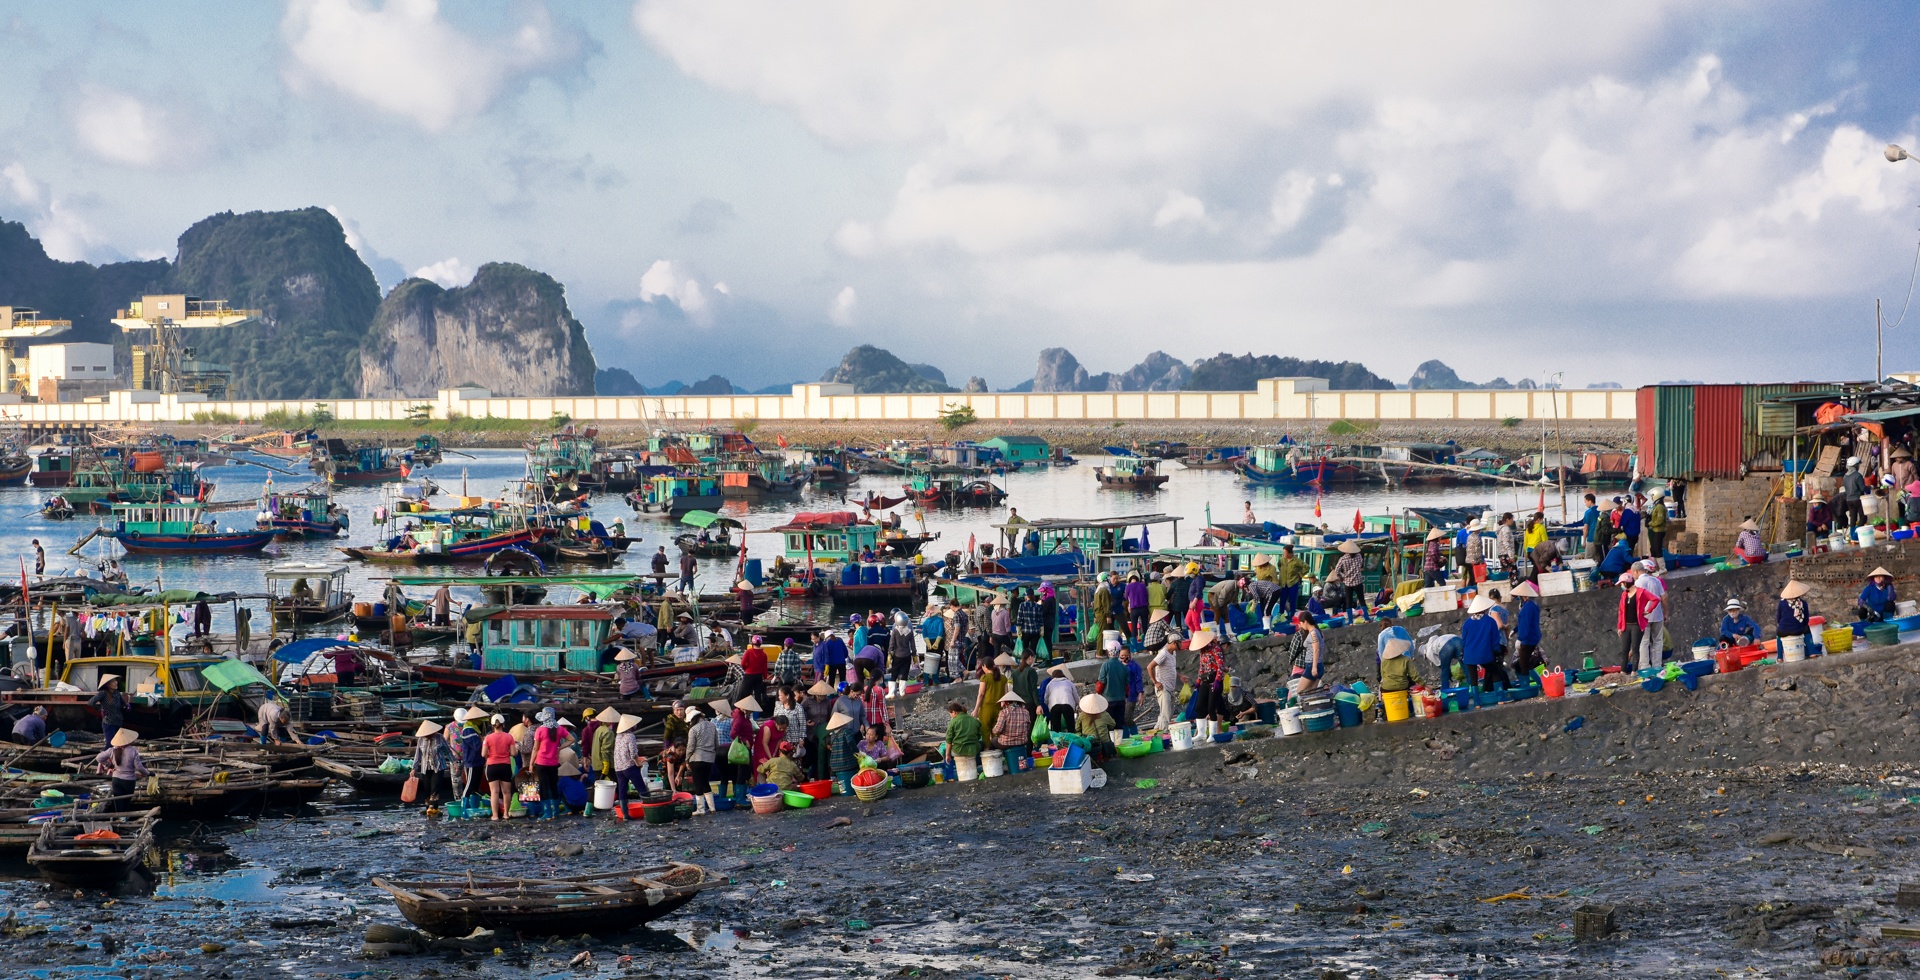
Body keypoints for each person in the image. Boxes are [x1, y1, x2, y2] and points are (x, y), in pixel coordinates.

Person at [94, 728, 149, 812]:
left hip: (116, 780)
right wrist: (148, 773)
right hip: (129, 781)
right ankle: (124, 818)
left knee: (118, 803)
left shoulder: (112, 750)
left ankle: (119, 818)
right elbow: (139, 768)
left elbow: (99, 758)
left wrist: (109, 765)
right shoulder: (133, 751)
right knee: (126, 803)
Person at [1461, 595, 1509, 691]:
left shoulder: (1467, 622)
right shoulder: (1490, 621)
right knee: (1495, 672)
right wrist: (1497, 652)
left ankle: (1476, 699)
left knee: (1473, 678)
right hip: (1484, 654)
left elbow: (1464, 640)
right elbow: (1495, 640)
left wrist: (1463, 652)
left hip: (1469, 655)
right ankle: (1500, 696)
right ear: (1485, 609)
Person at [530, 708, 565, 819]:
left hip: (541, 762)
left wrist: (531, 763)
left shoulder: (540, 730)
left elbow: (535, 748)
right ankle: (556, 812)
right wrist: (559, 748)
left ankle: (547, 813)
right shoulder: (559, 729)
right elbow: (571, 739)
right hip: (553, 763)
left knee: (544, 787)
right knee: (553, 786)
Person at [1633, 560, 1667, 671]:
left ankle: (1645, 667)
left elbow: (1634, 601)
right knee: (1658, 641)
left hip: (1643, 617)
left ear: (1636, 571)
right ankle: (1657, 666)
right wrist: (1666, 612)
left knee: (1644, 642)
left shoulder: (1637, 583)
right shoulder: (1656, 581)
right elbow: (1664, 598)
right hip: (1657, 615)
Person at [685, 704, 718, 814]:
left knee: (698, 784)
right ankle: (712, 808)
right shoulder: (712, 726)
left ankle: (700, 809)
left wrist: (687, 759)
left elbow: (690, 747)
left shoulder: (693, 729)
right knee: (705, 782)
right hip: (709, 759)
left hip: (697, 759)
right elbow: (716, 743)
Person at [482, 714, 516, 820]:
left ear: (492, 725)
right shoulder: (509, 737)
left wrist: (491, 755)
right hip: (505, 766)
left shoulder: (488, 738)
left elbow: (483, 754)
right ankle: (506, 814)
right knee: (506, 792)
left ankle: (495, 815)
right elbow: (513, 753)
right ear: (503, 724)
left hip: (492, 766)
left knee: (494, 792)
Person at [411, 719, 452, 807]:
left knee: (434, 790)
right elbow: (418, 755)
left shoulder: (440, 738)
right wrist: (414, 768)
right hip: (425, 768)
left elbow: (447, 751)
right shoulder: (421, 740)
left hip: (438, 767)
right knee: (427, 790)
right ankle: (428, 809)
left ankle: (433, 809)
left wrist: (454, 762)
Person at [802, 681, 838, 780]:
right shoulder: (807, 701)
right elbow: (801, 713)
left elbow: (829, 717)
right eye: (822, 694)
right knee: (810, 756)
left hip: (823, 733)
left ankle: (822, 777)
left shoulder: (827, 702)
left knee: (822, 756)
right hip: (810, 732)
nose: (824, 696)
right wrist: (806, 722)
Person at [1148, 626, 1180, 730]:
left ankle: (1157, 731)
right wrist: (1155, 682)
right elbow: (1150, 667)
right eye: (1179, 642)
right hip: (1163, 687)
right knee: (1166, 714)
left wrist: (1180, 676)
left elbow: (1171, 668)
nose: (1181, 644)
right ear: (1174, 643)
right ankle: (1164, 733)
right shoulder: (1164, 653)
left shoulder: (1173, 653)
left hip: (1170, 687)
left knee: (1167, 713)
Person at [1095, 640, 1131, 730]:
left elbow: (1101, 683)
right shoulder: (1124, 667)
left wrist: (1098, 694)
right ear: (1119, 652)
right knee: (1119, 723)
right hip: (1121, 699)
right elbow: (1127, 686)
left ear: (1108, 651)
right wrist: (1126, 696)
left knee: (1109, 724)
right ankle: (1120, 738)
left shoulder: (1105, 665)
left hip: (1108, 700)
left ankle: (1111, 738)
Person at [1511, 581, 1543, 677]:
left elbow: (1525, 624)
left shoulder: (1528, 607)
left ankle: (1527, 683)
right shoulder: (1532, 605)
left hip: (1528, 638)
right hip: (1533, 636)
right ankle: (1538, 682)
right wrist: (1515, 629)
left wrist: (1520, 638)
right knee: (1526, 663)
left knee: (1523, 664)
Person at [1612, 573, 1642, 671]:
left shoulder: (1640, 592)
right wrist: (1620, 626)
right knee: (1624, 650)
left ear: (1626, 583)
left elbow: (1655, 599)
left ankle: (1634, 671)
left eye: (1622, 583)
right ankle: (1623, 671)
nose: (1621, 586)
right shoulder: (1624, 595)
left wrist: (1648, 610)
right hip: (1626, 625)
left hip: (1636, 625)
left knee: (1635, 649)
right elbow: (1621, 611)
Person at [89, 675, 129, 746]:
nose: (116, 682)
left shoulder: (117, 693)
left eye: (116, 681)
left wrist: (127, 706)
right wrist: (100, 709)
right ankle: (104, 753)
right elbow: (91, 702)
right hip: (108, 722)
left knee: (118, 744)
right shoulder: (103, 693)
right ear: (107, 684)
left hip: (118, 721)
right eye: (113, 681)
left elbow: (123, 704)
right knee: (110, 744)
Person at [974, 655, 1010, 735]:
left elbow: (981, 695)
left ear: (984, 666)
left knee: (985, 731)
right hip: (998, 708)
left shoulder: (985, 678)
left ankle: (987, 744)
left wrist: (976, 709)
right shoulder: (1003, 678)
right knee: (996, 731)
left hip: (986, 708)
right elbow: (1006, 695)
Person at [990, 689, 1032, 755]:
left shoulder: (1004, 712)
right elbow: (1028, 727)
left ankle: (999, 760)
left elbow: (997, 730)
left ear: (1007, 702)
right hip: (1022, 742)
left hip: (1006, 743)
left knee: (993, 741)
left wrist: (993, 732)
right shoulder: (1026, 712)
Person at [1331, 541, 1366, 617]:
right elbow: (1360, 565)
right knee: (1361, 600)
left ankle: (1350, 621)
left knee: (1348, 602)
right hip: (1358, 582)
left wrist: (1341, 577)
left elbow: (1337, 570)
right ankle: (1366, 618)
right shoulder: (1359, 556)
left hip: (1348, 583)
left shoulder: (1343, 559)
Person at [1076, 693, 1116, 759]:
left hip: (1089, 742)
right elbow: (1112, 725)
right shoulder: (1105, 714)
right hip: (1104, 743)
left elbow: (1077, 728)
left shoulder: (1082, 715)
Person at [1042, 665, 1079, 735]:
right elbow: (1076, 696)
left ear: (1053, 676)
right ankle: (1072, 739)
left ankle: (1056, 740)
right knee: (1071, 726)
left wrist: (1048, 706)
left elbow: (1046, 699)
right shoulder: (1069, 682)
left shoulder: (1049, 684)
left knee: (1056, 729)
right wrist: (1077, 705)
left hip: (1054, 706)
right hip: (1067, 705)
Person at [829, 711, 864, 784]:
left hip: (835, 764)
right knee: (850, 780)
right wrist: (857, 752)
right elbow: (851, 742)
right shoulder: (846, 731)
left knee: (842, 784)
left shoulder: (832, 735)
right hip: (847, 763)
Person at [738, 638, 768, 709]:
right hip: (758, 676)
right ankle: (757, 711)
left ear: (752, 643)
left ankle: (745, 709)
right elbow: (764, 668)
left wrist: (746, 669)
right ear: (760, 644)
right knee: (758, 695)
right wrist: (765, 677)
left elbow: (742, 664)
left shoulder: (748, 652)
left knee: (746, 694)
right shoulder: (764, 654)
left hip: (748, 675)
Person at [1644, 489, 1669, 563]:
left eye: (1652, 496)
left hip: (1659, 531)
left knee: (1657, 550)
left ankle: (1662, 567)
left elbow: (1659, 520)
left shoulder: (1660, 507)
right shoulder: (1656, 506)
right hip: (1655, 530)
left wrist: (1650, 523)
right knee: (1653, 550)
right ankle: (1653, 565)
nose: (1652, 497)